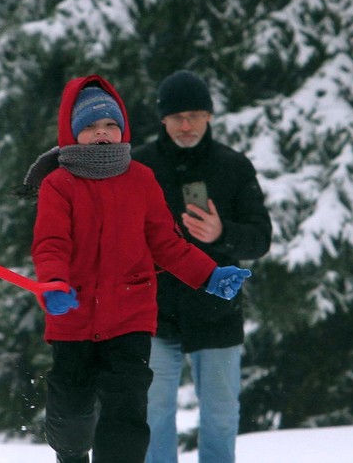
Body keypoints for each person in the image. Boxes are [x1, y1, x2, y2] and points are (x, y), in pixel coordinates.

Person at [21, 74, 252, 463]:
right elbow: (51, 244)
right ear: (72, 132)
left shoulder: (140, 178)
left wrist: (208, 274)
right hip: (72, 314)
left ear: (123, 129)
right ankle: (71, 456)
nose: (102, 133)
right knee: (71, 417)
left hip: (130, 316)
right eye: (91, 126)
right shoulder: (59, 185)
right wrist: (54, 283)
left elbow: (167, 243)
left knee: (127, 413)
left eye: (110, 124)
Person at [132, 70, 272, 463]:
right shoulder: (138, 167)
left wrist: (221, 234)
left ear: (210, 115)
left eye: (195, 114)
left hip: (217, 310)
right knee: (154, 414)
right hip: (153, 311)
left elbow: (261, 239)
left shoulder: (233, 166)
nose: (187, 125)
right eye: (177, 116)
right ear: (162, 119)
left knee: (221, 416)